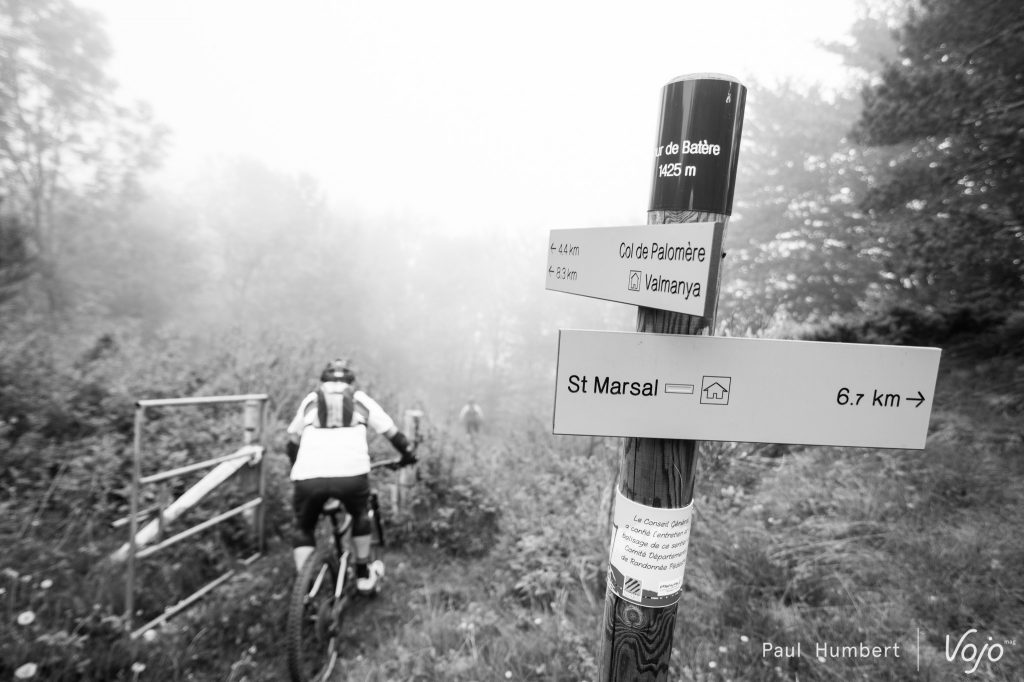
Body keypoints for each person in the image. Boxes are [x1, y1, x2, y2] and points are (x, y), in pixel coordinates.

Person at [285, 358, 417, 594]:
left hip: (308, 475)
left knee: (303, 527)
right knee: (359, 514)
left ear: (323, 382)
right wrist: (408, 455)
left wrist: (298, 467)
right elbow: (392, 433)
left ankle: (304, 589)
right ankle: (363, 574)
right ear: (350, 382)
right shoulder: (359, 400)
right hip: (351, 474)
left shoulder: (311, 400)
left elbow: (293, 439)